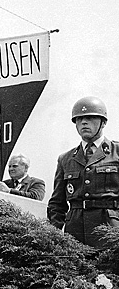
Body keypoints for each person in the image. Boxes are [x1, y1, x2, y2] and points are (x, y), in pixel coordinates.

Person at [48, 96, 119, 248]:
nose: (84, 122)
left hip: (110, 230)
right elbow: (57, 203)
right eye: (79, 119)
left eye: (90, 118)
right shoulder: (66, 159)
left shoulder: (117, 152)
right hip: (75, 233)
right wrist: (53, 235)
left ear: (103, 122)